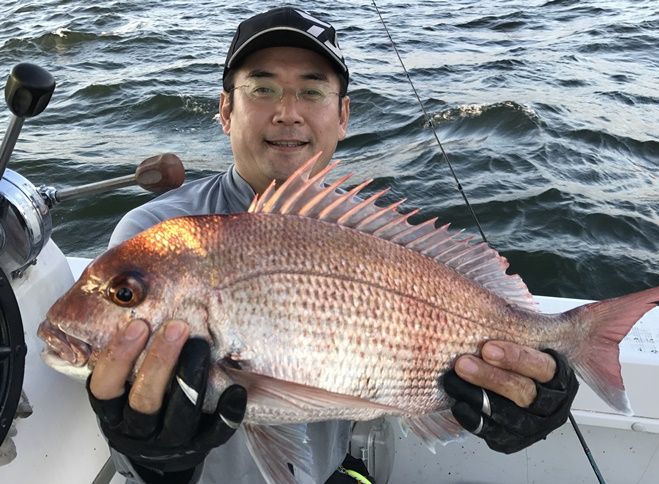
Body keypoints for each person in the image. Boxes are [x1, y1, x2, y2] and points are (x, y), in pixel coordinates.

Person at [86, 7, 579, 484]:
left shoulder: (374, 237)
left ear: (342, 115)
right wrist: (156, 464)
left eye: (312, 91)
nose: (288, 113)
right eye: (262, 89)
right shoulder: (155, 233)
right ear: (226, 109)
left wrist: (527, 383)